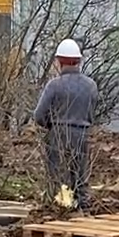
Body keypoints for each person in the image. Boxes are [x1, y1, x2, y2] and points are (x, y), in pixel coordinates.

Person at [30, 37, 98, 211]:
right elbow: (92, 113)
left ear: (59, 61)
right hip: (82, 133)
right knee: (80, 174)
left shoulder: (54, 85)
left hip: (58, 134)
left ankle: (64, 209)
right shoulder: (91, 86)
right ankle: (82, 210)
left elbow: (38, 115)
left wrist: (52, 126)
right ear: (79, 61)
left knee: (60, 176)